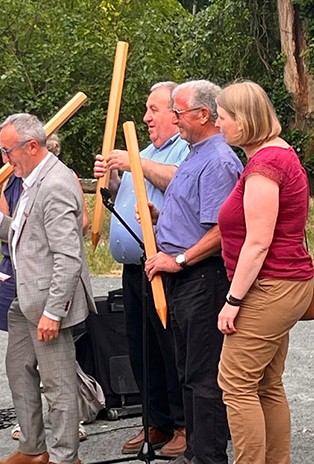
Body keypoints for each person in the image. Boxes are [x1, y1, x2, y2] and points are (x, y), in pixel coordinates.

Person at [0, 113, 96, 464]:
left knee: (58, 386)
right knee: (18, 368)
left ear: (31, 146)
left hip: (47, 304)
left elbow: (68, 256)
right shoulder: (31, 178)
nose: (4, 158)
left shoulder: (56, 183)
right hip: (25, 298)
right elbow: (28, 235)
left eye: (7, 150)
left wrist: (52, 313)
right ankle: (32, 449)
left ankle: (64, 458)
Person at [213, 80, 314, 464]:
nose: (218, 124)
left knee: (236, 383)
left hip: (270, 285)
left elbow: (258, 242)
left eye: (223, 118)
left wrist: (232, 300)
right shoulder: (278, 154)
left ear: (244, 120)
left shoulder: (266, 165)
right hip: (285, 283)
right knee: (267, 383)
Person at [144, 79, 242, 464]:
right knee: (187, 371)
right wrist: (162, 216)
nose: (174, 119)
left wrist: (180, 259)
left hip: (202, 278)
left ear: (204, 114)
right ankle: (195, 452)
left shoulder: (218, 160)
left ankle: (208, 456)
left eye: (179, 112)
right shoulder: (195, 154)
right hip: (182, 278)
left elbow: (222, 230)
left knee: (203, 377)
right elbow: (193, 211)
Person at [93, 81, 190, 457]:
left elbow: (176, 183)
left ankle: (184, 424)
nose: (147, 117)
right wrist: (114, 178)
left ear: (175, 113)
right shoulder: (144, 151)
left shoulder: (184, 151)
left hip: (167, 267)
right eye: (147, 110)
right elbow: (129, 194)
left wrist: (136, 162)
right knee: (140, 348)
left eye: (154, 109)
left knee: (172, 350)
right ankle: (156, 422)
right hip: (134, 269)